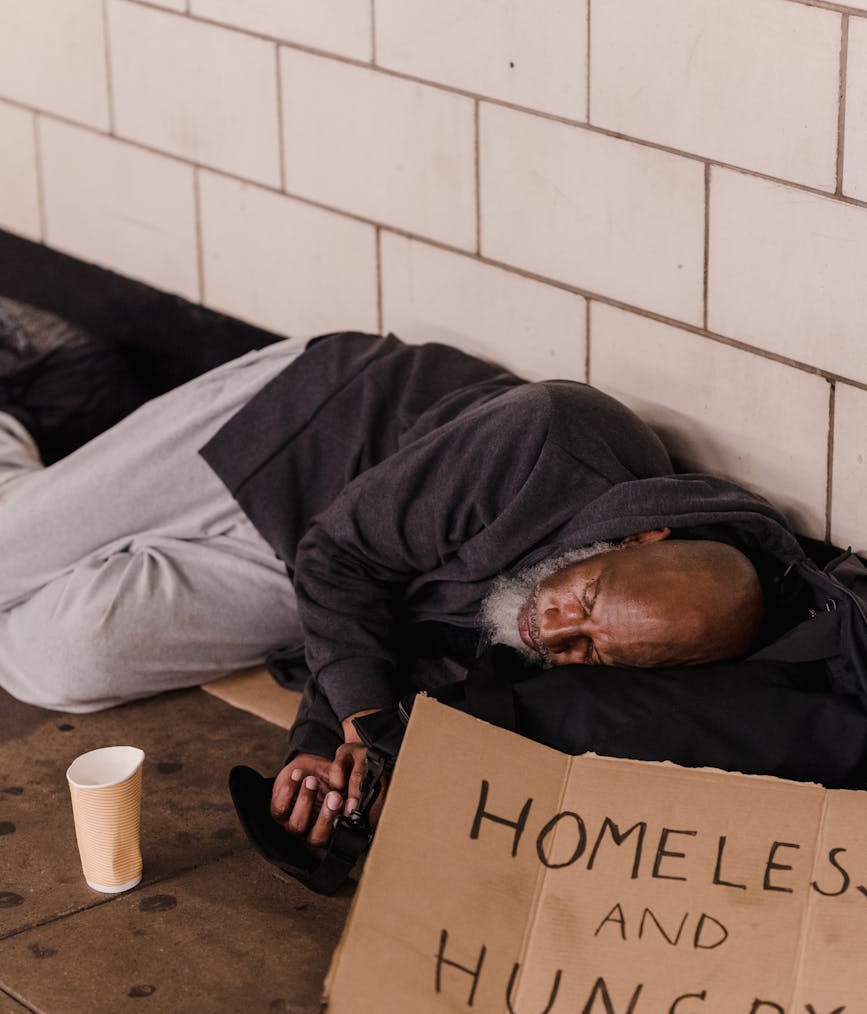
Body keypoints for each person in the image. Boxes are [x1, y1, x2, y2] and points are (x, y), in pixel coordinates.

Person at [0, 319, 802, 844]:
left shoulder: (591, 627)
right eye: (583, 602)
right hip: (293, 442)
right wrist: (368, 718)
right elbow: (340, 557)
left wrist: (321, 752)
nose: (554, 632)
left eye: (591, 650)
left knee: (55, 662)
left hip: (312, 578)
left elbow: (388, 651)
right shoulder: (555, 435)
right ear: (638, 536)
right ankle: (38, 374)